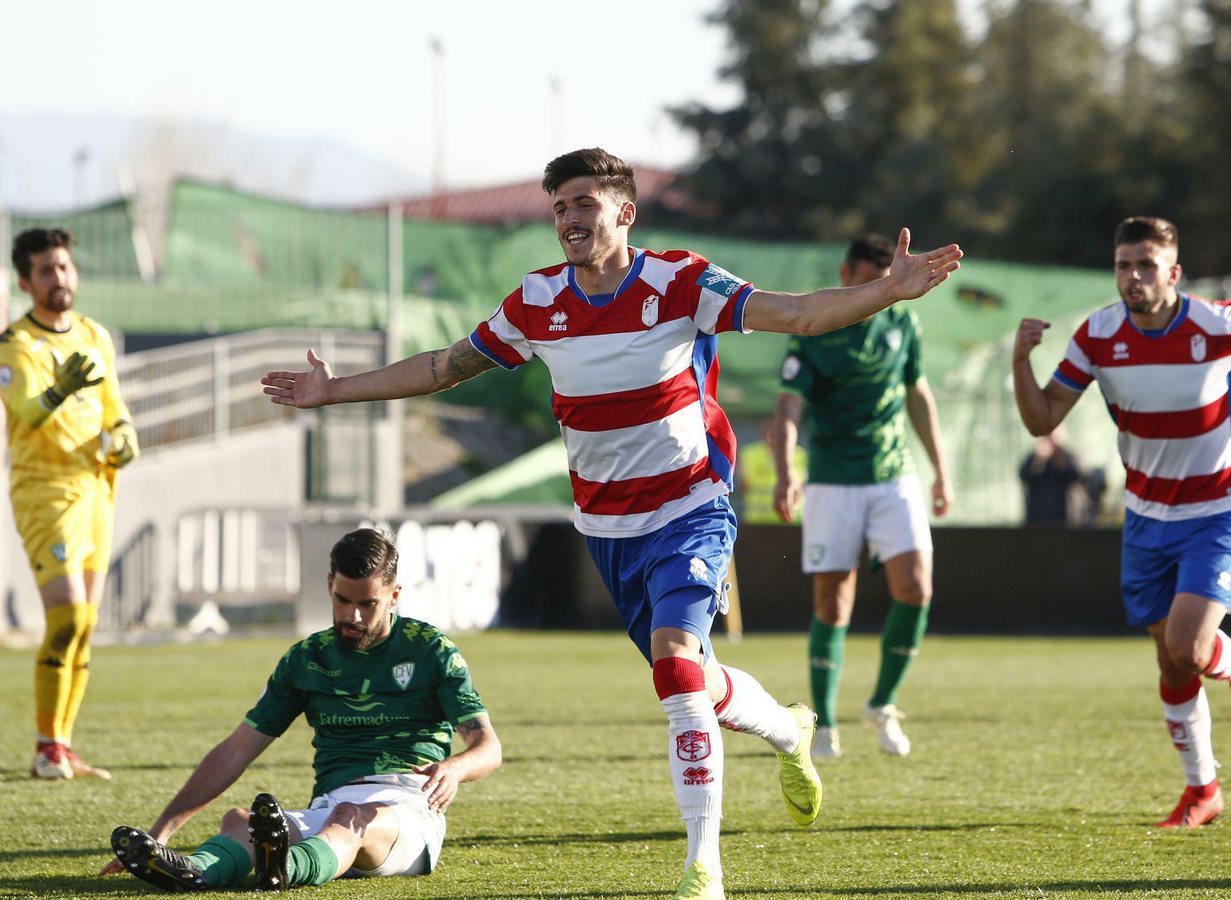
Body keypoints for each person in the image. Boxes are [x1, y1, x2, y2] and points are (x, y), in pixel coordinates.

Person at [263, 148, 963, 898]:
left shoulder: (681, 282)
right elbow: (443, 367)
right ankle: (790, 729)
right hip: (607, 529)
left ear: (625, 213)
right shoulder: (536, 302)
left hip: (692, 508)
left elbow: (796, 314)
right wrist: (334, 391)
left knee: (675, 667)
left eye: (585, 203)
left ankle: (703, 869)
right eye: (560, 206)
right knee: (695, 681)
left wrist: (887, 291)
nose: (569, 218)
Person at [1011, 216, 1231, 829]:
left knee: (1189, 646)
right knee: (1172, 662)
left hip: (1218, 508)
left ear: (1173, 273)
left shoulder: (1219, 324)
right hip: (1146, 515)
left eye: (1146, 265)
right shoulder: (1097, 335)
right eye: (1123, 265)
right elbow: (1041, 420)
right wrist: (1020, 360)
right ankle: (1203, 791)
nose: (1133, 277)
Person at [99, 527, 501, 892]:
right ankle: (195, 871)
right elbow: (236, 750)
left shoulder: (430, 650)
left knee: (351, 818)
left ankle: (286, 866)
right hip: (328, 807)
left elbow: (488, 746)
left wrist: (455, 768)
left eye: (368, 604)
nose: (352, 616)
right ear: (329, 585)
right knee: (241, 822)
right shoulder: (307, 659)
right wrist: (162, 831)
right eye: (342, 600)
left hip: (407, 808)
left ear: (394, 596)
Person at [764, 233, 953, 760]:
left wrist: (941, 471)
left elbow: (918, 394)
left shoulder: (903, 322)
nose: (879, 293)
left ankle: (882, 704)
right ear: (846, 274)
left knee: (917, 588)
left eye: (886, 282)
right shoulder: (815, 329)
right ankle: (823, 725)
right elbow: (789, 406)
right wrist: (786, 472)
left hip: (894, 475)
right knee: (833, 601)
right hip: (832, 480)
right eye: (871, 280)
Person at [0, 227, 137, 781]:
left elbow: (114, 407)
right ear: (25, 282)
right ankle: (45, 748)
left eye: (64, 266)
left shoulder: (95, 334)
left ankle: (62, 745)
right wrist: (59, 390)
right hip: (44, 492)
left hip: (96, 488)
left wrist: (124, 436)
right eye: (46, 270)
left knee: (86, 624)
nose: (59, 277)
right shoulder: (14, 345)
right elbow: (29, 413)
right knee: (67, 616)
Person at [1019, 429, 1081, 526]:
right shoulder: (1034, 457)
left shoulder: (1068, 456)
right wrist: (1039, 460)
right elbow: (1024, 475)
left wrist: (1061, 462)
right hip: (1036, 518)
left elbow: (1075, 477)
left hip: (1062, 517)